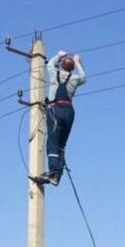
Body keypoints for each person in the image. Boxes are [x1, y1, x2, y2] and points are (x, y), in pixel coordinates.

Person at [35, 50, 87, 186]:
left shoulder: (54, 73)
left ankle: (53, 172)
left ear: (62, 65)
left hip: (55, 110)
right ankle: (57, 175)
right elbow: (84, 77)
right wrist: (77, 62)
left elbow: (50, 64)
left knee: (52, 142)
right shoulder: (75, 79)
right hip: (69, 112)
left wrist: (59, 55)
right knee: (61, 144)